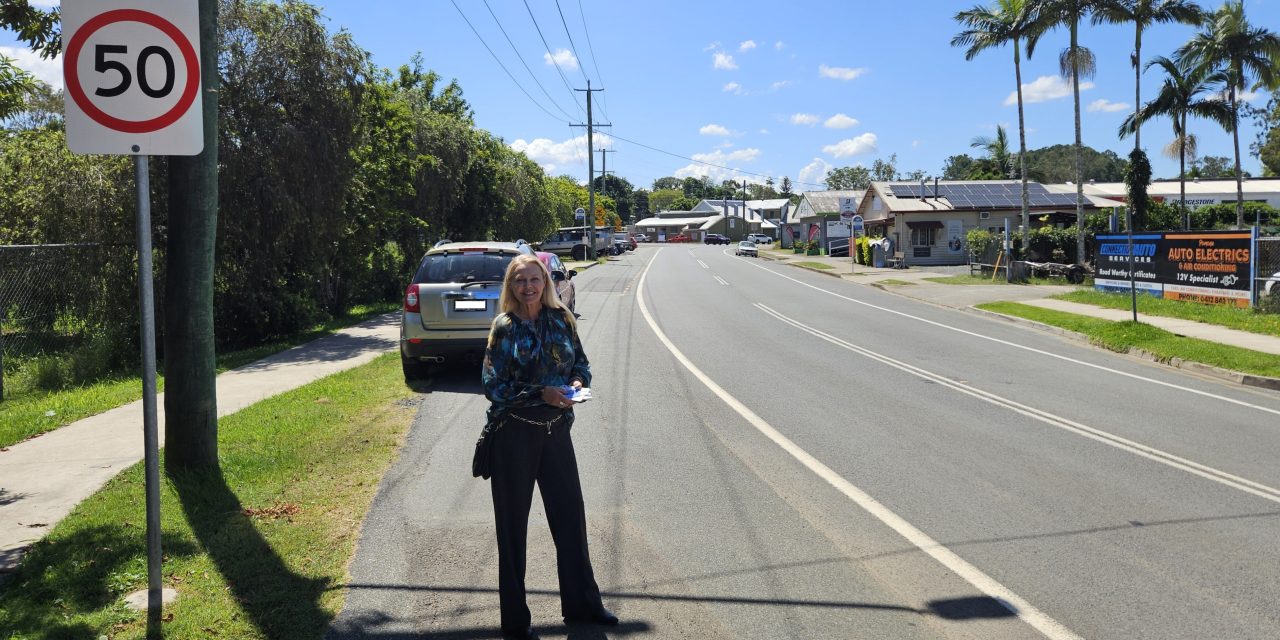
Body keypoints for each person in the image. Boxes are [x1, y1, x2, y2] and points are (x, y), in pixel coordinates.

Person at [481, 254, 618, 640]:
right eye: (520, 280)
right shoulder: (503, 328)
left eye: (535, 279)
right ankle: (515, 621)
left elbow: (583, 364)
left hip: (556, 432)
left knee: (570, 519)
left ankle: (583, 604)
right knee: (512, 528)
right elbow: (493, 386)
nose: (528, 287)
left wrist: (575, 384)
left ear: (546, 283)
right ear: (511, 287)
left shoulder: (562, 320)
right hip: (514, 435)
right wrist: (540, 392)